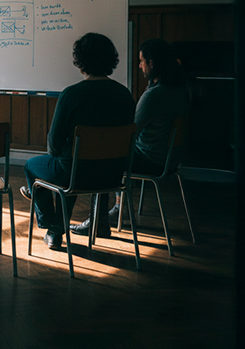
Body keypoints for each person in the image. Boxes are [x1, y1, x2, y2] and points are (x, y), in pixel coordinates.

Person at [20, 33, 135, 248]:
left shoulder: (72, 94)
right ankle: (55, 228)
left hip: (74, 174)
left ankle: (53, 227)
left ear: (80, 61)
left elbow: (53, 145)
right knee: (72, 164)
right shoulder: (125, 95)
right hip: (113, 176)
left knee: (32, 167)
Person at [68, 37, 190, 236]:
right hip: (171, 159)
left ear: (152, 63)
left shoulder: (155, 95)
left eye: (142, 61)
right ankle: (117, 207)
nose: (140, 65)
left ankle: (99, 221)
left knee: (103, 157)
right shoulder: (180, 91)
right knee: (114, 153)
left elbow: (130, 129)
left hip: (151, 159)